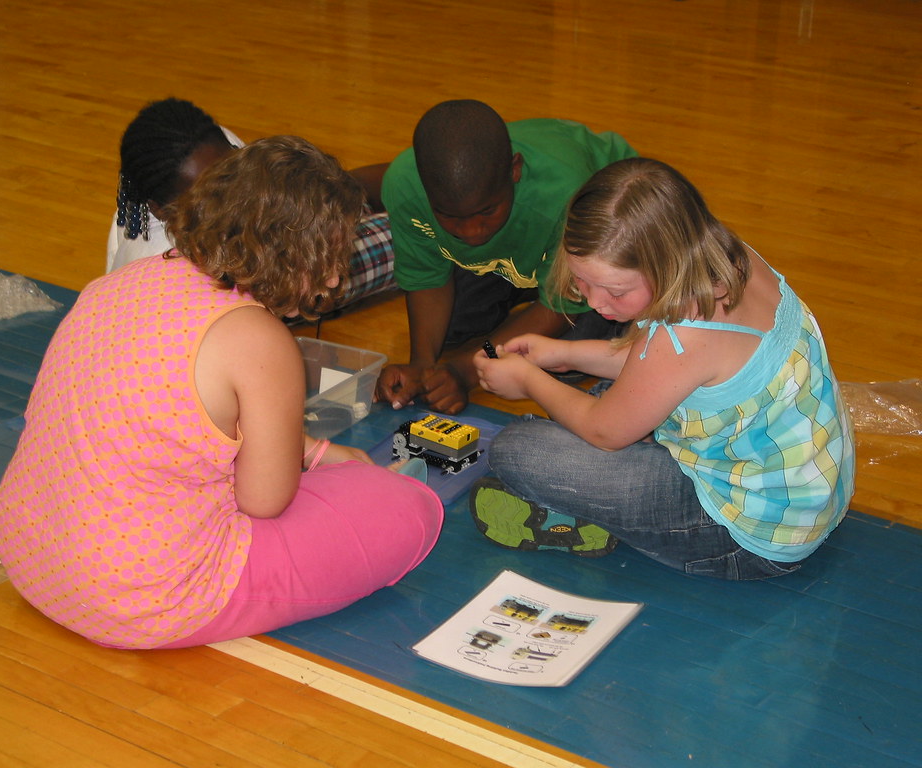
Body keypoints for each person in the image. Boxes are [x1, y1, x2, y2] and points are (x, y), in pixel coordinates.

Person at [0, 136, 444, 649]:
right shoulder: (257, 338)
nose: (337, 276)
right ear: (296, 252)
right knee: (409, 509)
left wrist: (320, 452)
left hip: (29, 556)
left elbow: (166, 424)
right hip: (136, 599)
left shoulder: (116, 284)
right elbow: (264, 501)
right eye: (332, 257)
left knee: (341, 474)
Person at [470, 157, 854, 580]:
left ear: (666, 266)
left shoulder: (680, 338)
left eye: (615, 290)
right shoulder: (733, 258)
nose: (596, 303)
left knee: (516, 448)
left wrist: (528, 379)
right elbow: (651, 365)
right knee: (598, 403)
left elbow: (605, 430)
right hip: (807, 496)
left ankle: (589, 520)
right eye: (583, 281)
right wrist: (561, 355)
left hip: (746, 539)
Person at [375, 99, 637, 415]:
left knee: (564, 358)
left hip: (607, 234)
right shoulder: (404, 187)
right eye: (449, 216)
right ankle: (523, 293)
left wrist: (468, 369)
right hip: (526, 250)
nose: (472, 232)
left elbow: (557, 306)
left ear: (514, 171)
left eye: (487, 211)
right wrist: (421, 364)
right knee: (450, 328)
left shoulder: (568, 197)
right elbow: (425, 278)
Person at [107, 97, 396, 310]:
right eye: (207, 195)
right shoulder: (163, 264)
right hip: (264, 285)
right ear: (159, 209)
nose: (228, 193)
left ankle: (424, 172)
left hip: (264, 258)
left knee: (326, 193)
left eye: (229, 172)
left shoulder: (213, 152)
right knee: (409, 233)